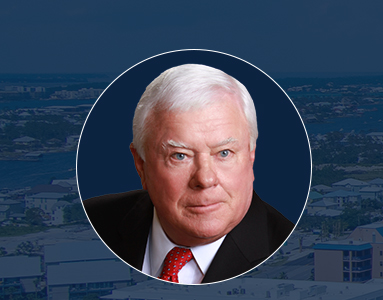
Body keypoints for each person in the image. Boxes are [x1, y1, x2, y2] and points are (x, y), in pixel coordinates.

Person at [85, 64, 293, 284]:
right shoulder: (92, 222)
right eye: (180, 156)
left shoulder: (287, 250)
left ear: (251, 157)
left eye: (224, 153)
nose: (205, 179)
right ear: (140, 165)